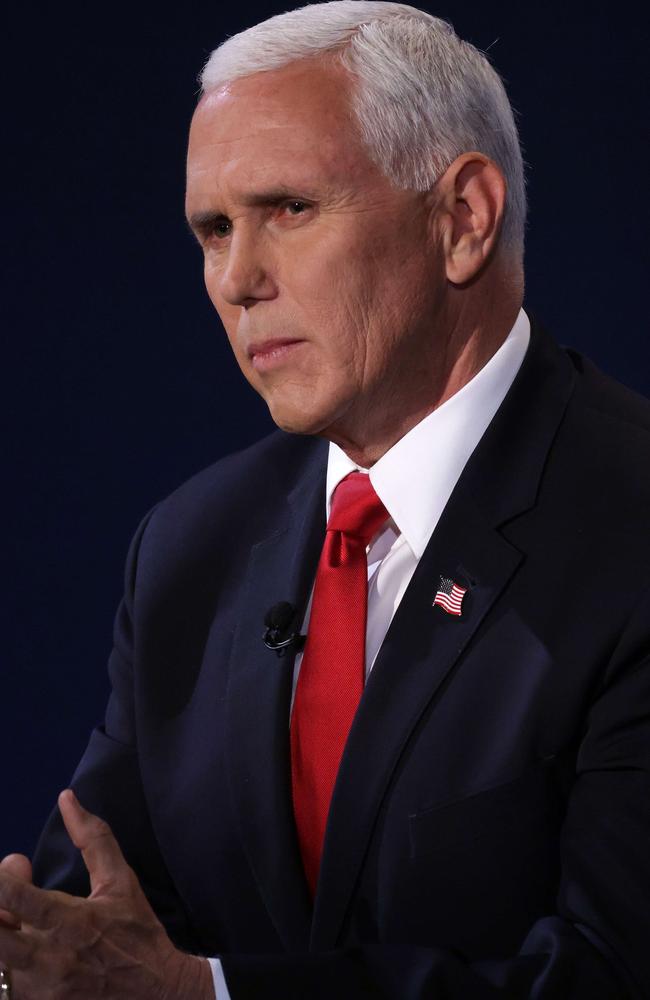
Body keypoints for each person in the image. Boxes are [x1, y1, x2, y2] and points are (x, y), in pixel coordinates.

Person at [1, 2, 648, 997]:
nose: (235, 278)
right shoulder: (190, 548)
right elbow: (88, 919)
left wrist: (204, 994)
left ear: (462, 219)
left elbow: (609, 973)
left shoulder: (628, 523)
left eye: (288, 210)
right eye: (212, 229)